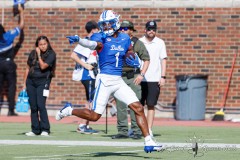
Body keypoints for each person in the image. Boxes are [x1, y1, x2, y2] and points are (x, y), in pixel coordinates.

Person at [56, 10, 162, 153]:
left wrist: (134, 59)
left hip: (118, 80)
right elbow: (92, 44)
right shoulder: (101, 38)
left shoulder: (125, 38)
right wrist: (79, 40)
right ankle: (69, 110)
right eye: (103, 25)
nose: (106, 27)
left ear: (116, 22)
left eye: (109, 24)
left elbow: (129, 52)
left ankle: (149, 141)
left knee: (137, 107)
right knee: (94, 116)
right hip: (104, 80)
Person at [111, 20, 150, 140]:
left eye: (126, 28)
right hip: (119, 76)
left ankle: (137, 131)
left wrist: (141, 75)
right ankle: (122, 131)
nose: (123, 30)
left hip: (133, 76)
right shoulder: (115, 41)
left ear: (132, 31)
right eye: (121, 29)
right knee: (120, 105)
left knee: (135, 104)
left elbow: (146, 59)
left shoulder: (137, 43)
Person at [24, 35, 56, 136]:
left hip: (43, 82)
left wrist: (38, 55)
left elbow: (43, 67)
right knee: (33, 106)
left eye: (44, 44)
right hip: (31, 82)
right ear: (37, 45)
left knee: (41, 105)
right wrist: (24, 83)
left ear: (48, 44)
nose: (42, 46)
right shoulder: (32, 53)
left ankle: (45, 129)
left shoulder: (51, 54)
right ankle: (35, 129)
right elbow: (27, 68)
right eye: (40, 44)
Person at [139, 21, 167, 137]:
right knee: (138, 106)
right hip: (140, 78)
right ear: (145, 30)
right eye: (149, 29)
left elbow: (163, 60)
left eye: (153, 29)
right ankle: (138, 128)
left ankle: (149, 129)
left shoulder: (160, 42)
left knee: (151, 105)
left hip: (154, 79)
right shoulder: (139, 42)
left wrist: (163, 76)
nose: (151, 31)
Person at [70, 20, 99, 134]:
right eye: (98, 29)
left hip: (93, 74)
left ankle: (85, 124)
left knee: (90, 100)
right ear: (93, 30)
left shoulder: (93, 42)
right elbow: (73, 55)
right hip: (88, 75)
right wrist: (86, 65)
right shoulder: (86, 41)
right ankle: (82, 124)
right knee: (91, 101)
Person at [0, 4, 24, 116]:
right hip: (9, 64)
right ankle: (10, 110)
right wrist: (21, 12)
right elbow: (21, 26)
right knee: (11, 86)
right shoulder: (8, 35)